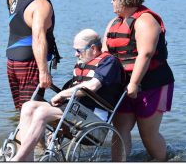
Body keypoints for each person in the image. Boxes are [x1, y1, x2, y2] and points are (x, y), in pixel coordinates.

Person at [10, 29, 125, 161]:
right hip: (76, 111)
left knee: (42, 112)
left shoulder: (109, 62)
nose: (75, 54)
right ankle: (27, 158)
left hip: (94, 118)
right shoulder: (83, 63)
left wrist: (64, 94)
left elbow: (93, 86)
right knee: (28, 107)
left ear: (93, 48)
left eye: (78, 50)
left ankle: (18, 159)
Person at [102, 0, 175, 161]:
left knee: (147, 133)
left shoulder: (145, 21)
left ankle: (162, 160)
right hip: (123, 85)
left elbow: (146, 54)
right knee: (120, 129)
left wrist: (134, 84)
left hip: (152, 84)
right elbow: (105, 53)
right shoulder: (113, 23)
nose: (111, 1)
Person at [6, 0, 62, 111]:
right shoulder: (42, 3)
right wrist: (43, 72)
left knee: (23, 112)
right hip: (29, 64)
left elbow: (13, 27)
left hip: (12, 62)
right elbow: (38, 37)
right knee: (32, 113)